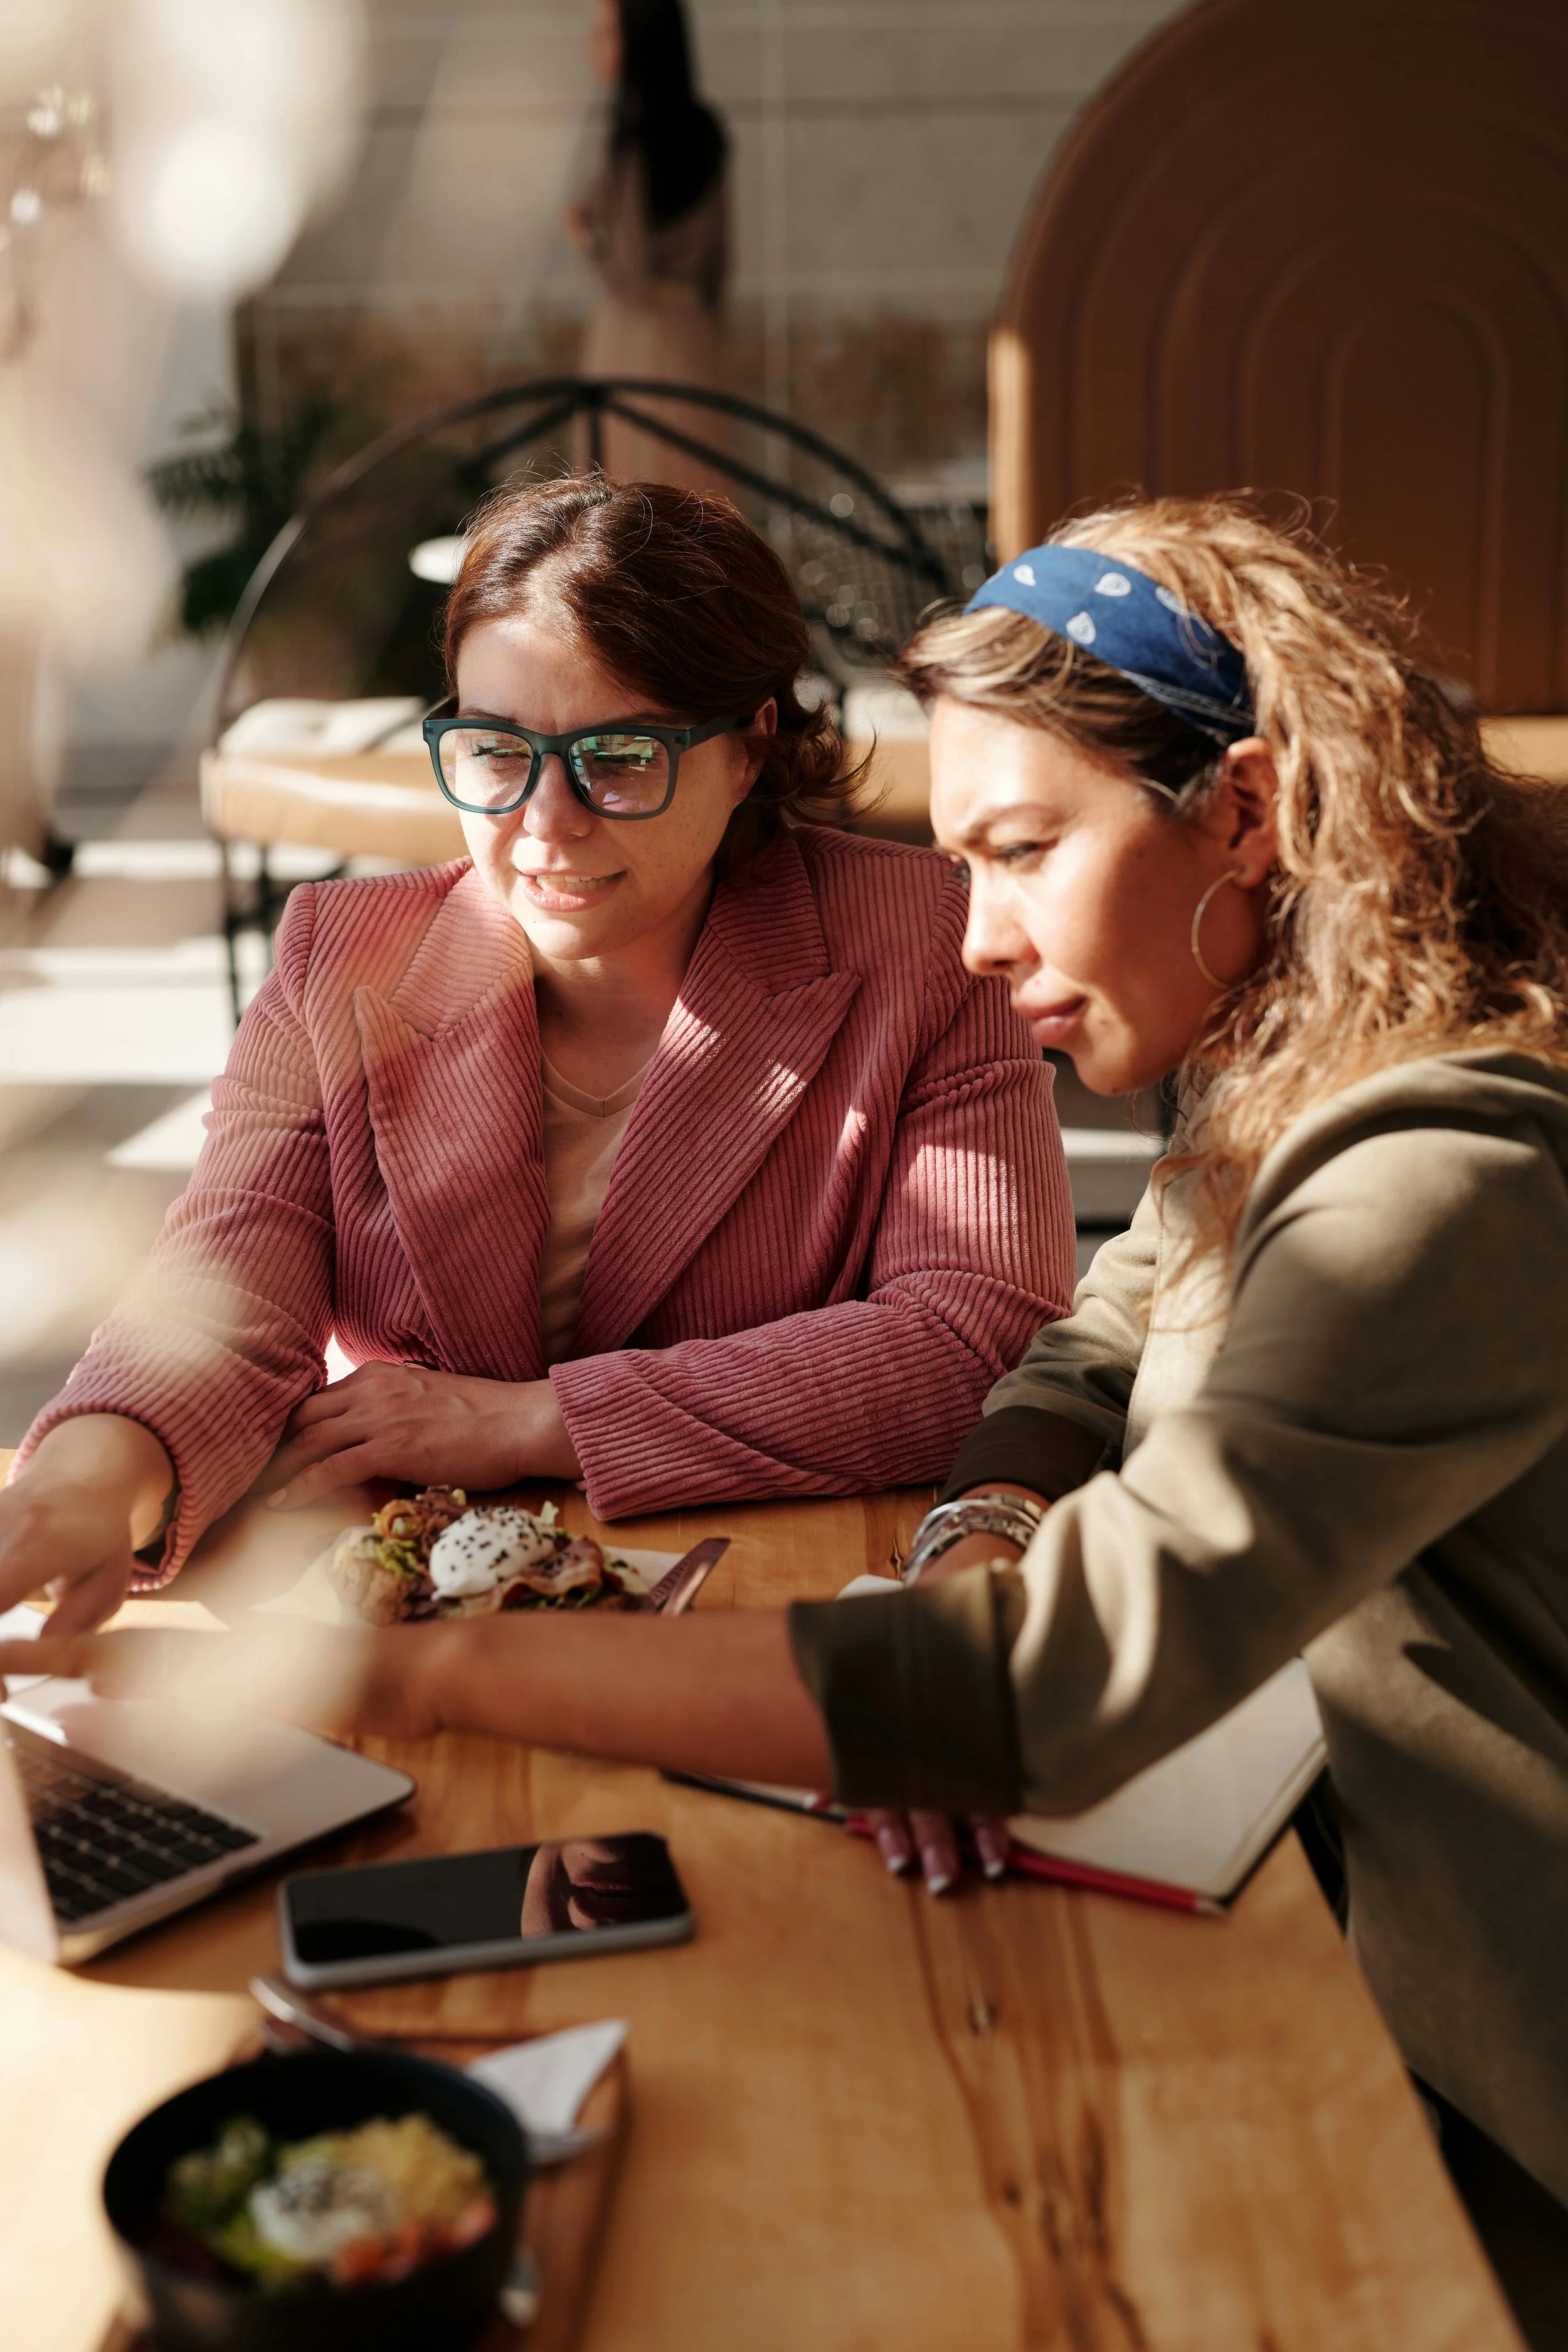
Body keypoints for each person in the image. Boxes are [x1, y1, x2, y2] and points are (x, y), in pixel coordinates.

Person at [26, 493, 1567, 2334]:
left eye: (1014, 850)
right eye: (490, 752)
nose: (980, 930)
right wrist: (88, 1468)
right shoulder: (1285, 1068)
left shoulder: (1423, 1175)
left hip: (1479, 2048)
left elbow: (1030, 1615)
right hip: (1284, 1845)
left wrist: (414, 1666)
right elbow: (1089, 1335)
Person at [0, 475, 1071, 1631]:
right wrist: (88, 1476)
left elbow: (976, 1337)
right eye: (496, 751)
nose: (545, 825)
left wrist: (529, 1421)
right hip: (422, 1606)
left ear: (751, 747)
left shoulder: (922, 945)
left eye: (618, 758)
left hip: (772, 1599)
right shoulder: (341, 956)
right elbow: (228, 1291)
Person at [566, 0, 729, 490]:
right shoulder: (706, 133)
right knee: (691, 506)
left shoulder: (632, 140)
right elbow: (720, 264)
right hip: (691, 336)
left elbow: (630, 269)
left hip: (632, 339)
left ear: (639, 43)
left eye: (607, 34)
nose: (592, 47)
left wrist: (584, 239)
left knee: (624, 505)